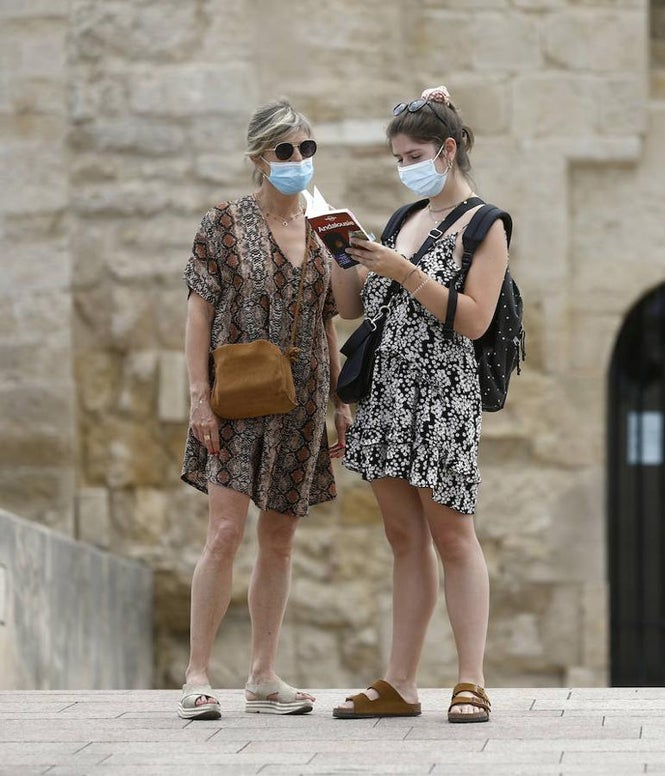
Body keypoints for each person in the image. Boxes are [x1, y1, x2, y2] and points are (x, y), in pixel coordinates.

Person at [330, 85, 507, 723]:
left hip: (440, 398)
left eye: (413, 154)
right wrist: (342, 257)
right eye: (399, 157)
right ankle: (400, 681)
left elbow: (475, 321)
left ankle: (470, 679)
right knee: (403, 537)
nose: (405, 166)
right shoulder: (402, 220)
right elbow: (354, 309)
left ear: (448, 149)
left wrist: (403, 271)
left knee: (453, 534)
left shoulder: (485, 224)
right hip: (386, 394)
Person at [179, 97, 353, 720]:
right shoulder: (222, 226)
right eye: (286, 151)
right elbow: (198, 314)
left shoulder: (323, 228)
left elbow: (334, 318)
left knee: (278, 541)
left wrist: (338, 400)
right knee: (224, 533)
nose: (299, 161)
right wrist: (199, 398)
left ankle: (262, 675)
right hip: (235, 401)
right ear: (259, 157)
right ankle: (198, 673)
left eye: (308, 149)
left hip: (301, 404)